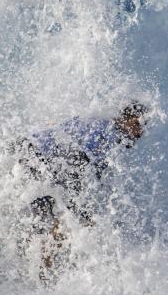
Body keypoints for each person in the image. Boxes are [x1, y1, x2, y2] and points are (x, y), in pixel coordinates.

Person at [11, 101, 148, 284]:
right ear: (127, 118)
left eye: (143, 126)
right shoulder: (106, 133)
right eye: (138, 124)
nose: (140, 132)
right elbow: (77, 160)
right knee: (59, 219)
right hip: (34, 156)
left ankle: (27, 270)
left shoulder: (101, 123)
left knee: (52, 220)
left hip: (27, 148)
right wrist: (79, 210)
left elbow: (61, 132)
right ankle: (39, 280)